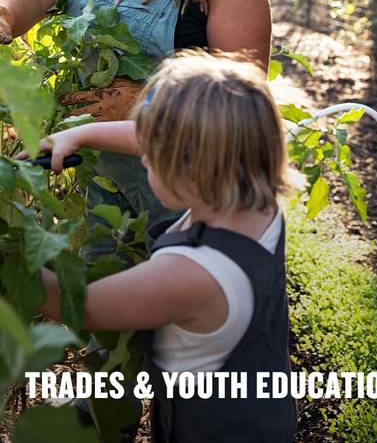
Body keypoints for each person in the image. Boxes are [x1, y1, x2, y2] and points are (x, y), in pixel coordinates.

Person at [21, 51, 297, 442]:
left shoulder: (190, 274)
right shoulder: (258, 203)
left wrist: (9, 257)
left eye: (153, 154)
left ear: (190, 167)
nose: (145, 157)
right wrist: (79, 134)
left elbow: (83, 306)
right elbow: (177, 140)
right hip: (264, 410)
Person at [0, 0, 272, 261]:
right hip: (91, 165)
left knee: (168, 298)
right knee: (95, 286)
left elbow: (241, 105)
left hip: (179, 180)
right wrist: (5, 15)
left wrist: (147, 104)